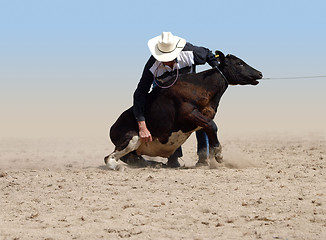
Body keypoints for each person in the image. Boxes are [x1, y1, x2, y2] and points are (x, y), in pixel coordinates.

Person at [133, 32, 219, 167]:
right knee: (168, 118)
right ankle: (173, 158)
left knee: (202, 118)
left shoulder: (191, 52)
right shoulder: (152, 65)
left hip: (191, 95)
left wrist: (218, 75)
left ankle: (204, 157)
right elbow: (140, 93)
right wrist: (141, 124)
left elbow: (209, 55)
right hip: (167, 97)